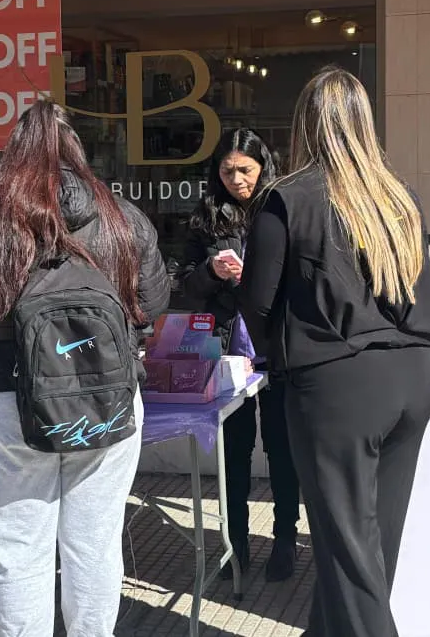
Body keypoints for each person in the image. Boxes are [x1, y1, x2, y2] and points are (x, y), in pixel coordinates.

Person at [0, 101, 170, 637]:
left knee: (17, 552)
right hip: (107, 400)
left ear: (12, 156)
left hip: (6, 400)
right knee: (95, 546)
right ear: (77, 150)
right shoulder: (123, 221)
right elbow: (151, 302)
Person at [237, 67, 430, 637]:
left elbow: (258, 303)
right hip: (412, 378)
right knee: (369, 548)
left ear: (305, 124)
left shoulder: (288, 198)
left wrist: (275, 362)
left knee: (352, 557)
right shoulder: (399, 196)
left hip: (336, 387)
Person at [178, 128, 300, 582]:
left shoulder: (282, 208)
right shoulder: (206, 217)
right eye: (226, 171)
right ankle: (237, 545)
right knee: (235, 453)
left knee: (283, 450)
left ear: (263, 167)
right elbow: (186, 288)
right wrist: (211, 270)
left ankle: (286, 538)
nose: (236, 179)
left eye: (245, 170)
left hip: (277, 348)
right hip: (229, 351)